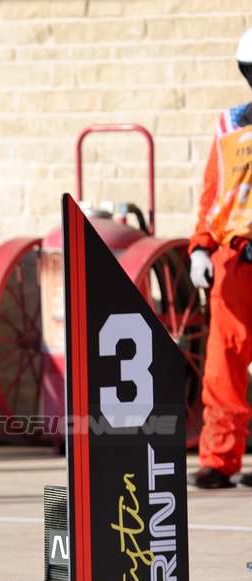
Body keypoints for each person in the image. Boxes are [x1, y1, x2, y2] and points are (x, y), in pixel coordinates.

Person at [186, 27, 252, 489]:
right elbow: (214, 195)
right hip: (234, 261)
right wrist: (200, 247)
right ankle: (220, 459)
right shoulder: (230, 125)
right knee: (222, 367)